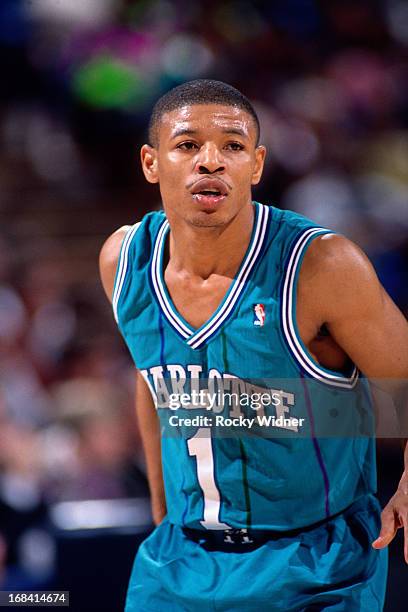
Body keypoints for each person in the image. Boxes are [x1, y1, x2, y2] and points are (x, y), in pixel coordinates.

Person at [99, 79, 408, 611]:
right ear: (151, 162)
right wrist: (160, 508)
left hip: (316, 564)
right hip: (181, 561)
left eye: (234, 146)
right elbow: (153, 382)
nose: (211, 161)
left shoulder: (321, 266)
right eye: (188, 144)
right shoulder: (123, 261)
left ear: (257, 166)